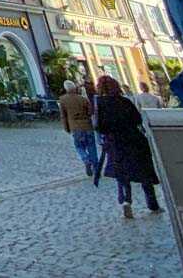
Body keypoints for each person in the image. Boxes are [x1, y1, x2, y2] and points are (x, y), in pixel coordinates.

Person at [95, 75, 162, 219]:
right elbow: (137, 119)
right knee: (144, 172)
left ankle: (126, 201)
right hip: (134, 139)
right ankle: (152, 203)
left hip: (115, 143)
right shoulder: (125, 101)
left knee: (122, 174)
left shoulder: (100, 104)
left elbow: (99, 127)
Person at [59, 80, 97, 176]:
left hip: (75, 127)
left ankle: (85, 159)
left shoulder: (63, 100)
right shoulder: (83, 99)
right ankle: (96, 168)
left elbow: (63, 116)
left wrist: (66, 128)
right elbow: (91, 111)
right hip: (87, 126)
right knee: (91, 146)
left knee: (79, 146)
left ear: (66, 89)